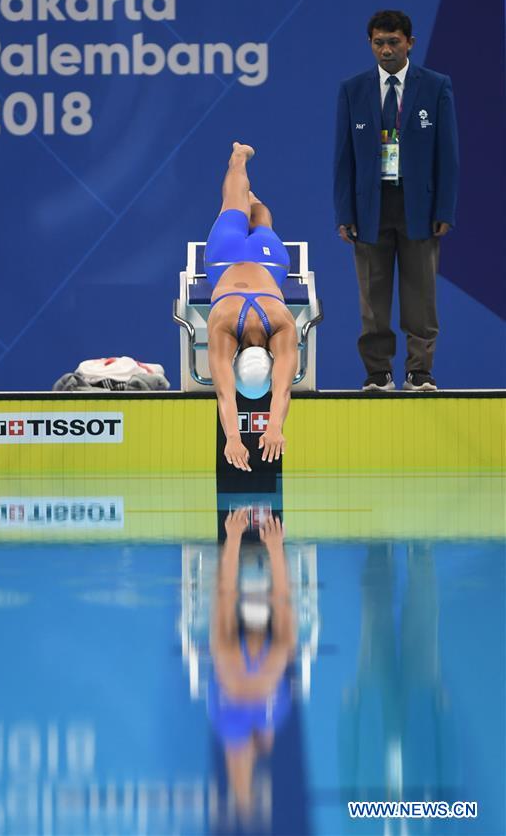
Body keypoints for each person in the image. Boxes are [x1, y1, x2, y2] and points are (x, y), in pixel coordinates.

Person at [333, 10, 459, 391]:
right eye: (378, 43)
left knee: (420, 296)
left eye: (393, 42)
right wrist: (345, 213)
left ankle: (419, 372)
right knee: (373, 298)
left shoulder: (435, 87)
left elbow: (447, 153)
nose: (386, 50)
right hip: (370, 207)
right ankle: (378, 373)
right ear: (370, 44)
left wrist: (445, 209)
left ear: (410, 43)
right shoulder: (353, 90)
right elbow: (343, 157)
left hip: (418, 207)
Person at [205, 143, 298, 470]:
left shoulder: (282, 325)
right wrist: (232, 437)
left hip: (268, 263)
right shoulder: (223, 326)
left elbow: (282, 390)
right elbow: (224, 395)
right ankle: (238, 163)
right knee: (234, 203)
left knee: (261, 219)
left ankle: (245, 180)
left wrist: (275, 428)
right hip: (224, 258)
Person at [208, 508, 295, 822]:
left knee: (239, 743)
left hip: (244, 699)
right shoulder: (278, 652)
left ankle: (244, 802)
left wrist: (232, 539)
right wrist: (275, 548)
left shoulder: (230, 653)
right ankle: (243, 801)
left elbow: (226, 593)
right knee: (247, 739)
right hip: (257, 700)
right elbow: (282, 597)